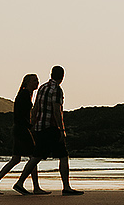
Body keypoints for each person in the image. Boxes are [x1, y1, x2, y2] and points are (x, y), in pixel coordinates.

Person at [17, 65, 82, 196]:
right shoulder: (56, 89)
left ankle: (20, 182)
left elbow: (35, 108)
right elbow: (57, 110)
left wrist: (33, 124)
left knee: (36, 157)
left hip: (40, 127)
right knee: (63, 156)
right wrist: (62, 129)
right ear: (62, 77)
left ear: (51, 74)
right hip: (51, 127)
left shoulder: (42, 88)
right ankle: (66, 187)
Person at [0, 74, 45, 195]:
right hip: (21, 129)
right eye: (34, 80)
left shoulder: (25, 94)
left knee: (16, 159)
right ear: (27, 82)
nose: (37, 82)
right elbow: (20, 115)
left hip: (19, 128)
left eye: (37, 80)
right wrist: (30, 127)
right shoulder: (24, 94)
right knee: (34, 156)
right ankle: (33, 187)